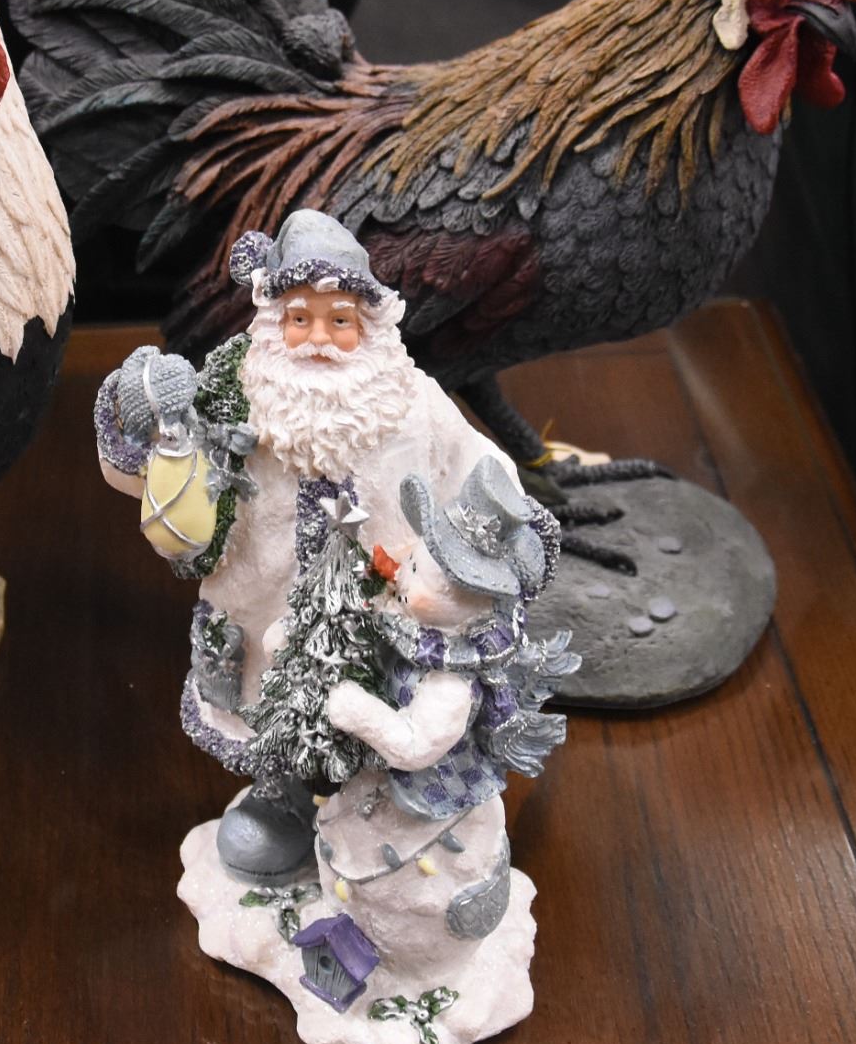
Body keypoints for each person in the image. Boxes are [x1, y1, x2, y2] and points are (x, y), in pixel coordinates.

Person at [95, 210, 557, 882]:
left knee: (377, 704)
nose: (318, 338)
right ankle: (282, 795)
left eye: (339, 320)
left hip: (387, 604)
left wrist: (513, 533)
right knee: (272, 697)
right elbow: (162, 472)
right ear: (274, 320)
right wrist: (141, 416)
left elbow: (476, 466)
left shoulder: (411, 401)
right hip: (263, 601)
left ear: (368, 322)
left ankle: (374, 801)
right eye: (299, 318)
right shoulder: (239, 394)